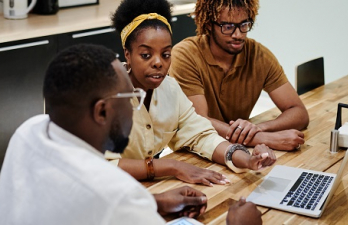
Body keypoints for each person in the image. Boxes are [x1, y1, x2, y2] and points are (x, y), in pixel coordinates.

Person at [0, 44, 262, 225]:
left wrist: (152, 202)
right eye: (131, 97)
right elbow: (109, 199)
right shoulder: (115, 194)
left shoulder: (29, 131)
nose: (136, 104)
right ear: (101, 112)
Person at [106, 0, 276, 187]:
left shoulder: (170, 89)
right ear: (127, 55)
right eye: (146, 55)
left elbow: (201, 135)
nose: (158, 63)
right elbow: (104, 166)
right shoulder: (105, 96)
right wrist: (171, 166)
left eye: (166, 54)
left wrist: (246, 159)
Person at [169, 0, 309, 151]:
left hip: (237, 147)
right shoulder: (185, 55)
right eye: (228, 27)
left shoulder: (259, 55)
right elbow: (199, 121)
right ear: (209, 24)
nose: (238, 34)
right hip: (192, 150)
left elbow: (299, 112)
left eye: (244, 25)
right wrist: (265, 139)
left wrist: (258, 128)